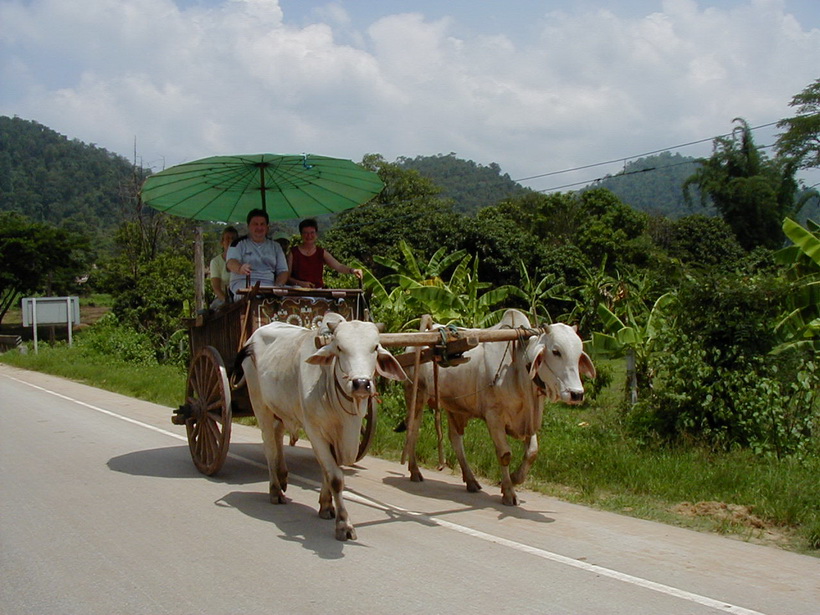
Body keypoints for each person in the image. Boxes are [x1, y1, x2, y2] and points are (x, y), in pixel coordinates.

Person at [226, 208, 289, 296]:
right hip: (243, 284)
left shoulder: (276, 246)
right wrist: (240, 268)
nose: (259, 227)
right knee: (254, 297)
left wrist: (278, 286)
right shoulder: (237, 244)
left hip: (269, 285)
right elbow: (230, 263)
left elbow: (283, 271)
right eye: (255, 224)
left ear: (267, 227)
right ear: (248, 226)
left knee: (299, 295)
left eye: (262, 224)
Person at [287, 218, 363, 289]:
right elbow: (287, 277)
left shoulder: (321, 252)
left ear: (316, 234)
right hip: (297, 292)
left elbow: (338, 266)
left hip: (318, 292)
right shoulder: (293, 252)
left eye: (312, 233)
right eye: (305, 233)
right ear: (301, 234)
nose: (309, 236)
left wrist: (352, 270)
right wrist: (301, 283)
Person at [209, 226, 238, 309]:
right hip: (223, 299)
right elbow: (216, 288)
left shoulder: (242, 260)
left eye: (233, 239)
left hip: (240, 297)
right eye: (228, 239)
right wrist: (227, 301)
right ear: (222, 242)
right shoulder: (216, 262)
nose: (231, 241)